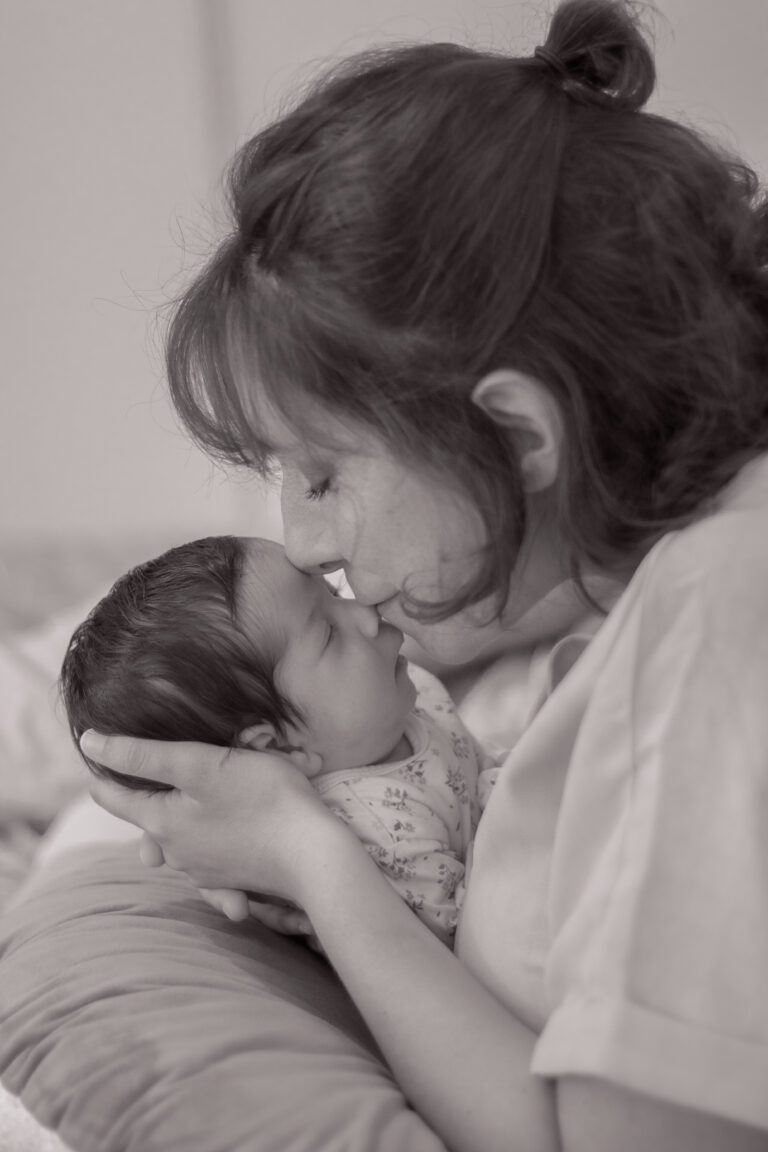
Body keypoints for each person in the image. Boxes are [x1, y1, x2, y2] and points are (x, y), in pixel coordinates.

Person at [79, 0, 768, 1147]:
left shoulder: (715, 613)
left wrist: (309, 857)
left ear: (519, 439)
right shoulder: (680, 582)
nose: (303, 543)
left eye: (323, 473)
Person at [60, 534, 494, 944]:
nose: (365, 612)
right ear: (278, 747)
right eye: (328, 633)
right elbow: (462, 944)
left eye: (335, 594)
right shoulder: (383, 843)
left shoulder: (389, 697)